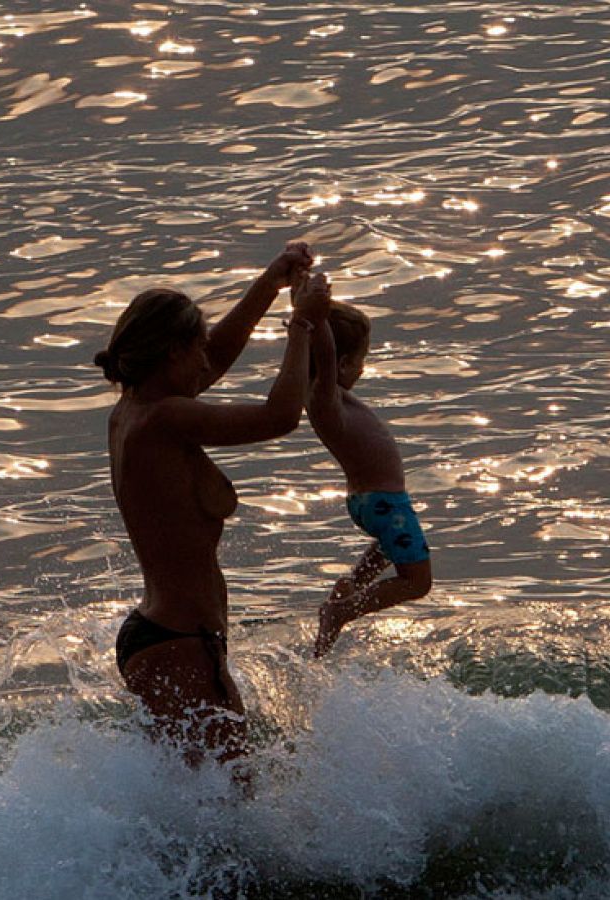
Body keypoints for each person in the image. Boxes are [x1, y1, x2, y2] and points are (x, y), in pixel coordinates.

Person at [94, 242, 327, 770]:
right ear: (171, 353)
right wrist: (301, 326)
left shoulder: (135, 409)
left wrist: (271, 282)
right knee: (231, 799)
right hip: (181, 643)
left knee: (198, 798)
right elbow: (280, 416)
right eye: (196, 348)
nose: (207, 361)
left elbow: (215, 357)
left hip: (161, 636)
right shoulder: (165, 419)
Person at [305, 287, 434, 658]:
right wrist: (316, 320)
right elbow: (325, 357)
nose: (363, 369)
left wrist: (305, 303)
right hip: (382, 501)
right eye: (361, 360)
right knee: (417, 581)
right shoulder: (324, 396)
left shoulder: (325, 394)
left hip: (373, 501)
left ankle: (350, 587)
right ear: (342, 363)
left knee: (388, 549)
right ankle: (342, 611)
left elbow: (322, 355)